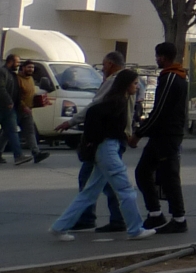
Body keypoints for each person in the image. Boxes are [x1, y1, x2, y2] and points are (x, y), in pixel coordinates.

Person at [49, 68, 153, 241]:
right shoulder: (119, 102)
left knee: (89, 192)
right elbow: (112, 126)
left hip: (103, 148)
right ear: (127, 84)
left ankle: (60, 226)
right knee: (126, 190)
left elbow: (93, 114)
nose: (137, 87)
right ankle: (135, 229)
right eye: (135, 84)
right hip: (109, 149)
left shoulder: (113, 99)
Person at [67, 52, 128, 231]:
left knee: (96, 178)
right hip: (115, 135)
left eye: (103, 65)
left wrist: (72, 121)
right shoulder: (128, 81)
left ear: (109, 64)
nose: (102, 69)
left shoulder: (114, 82)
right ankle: (113, 218)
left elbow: (95, 106)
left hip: (104, 136)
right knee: (105, 178)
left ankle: (102, 218)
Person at [135, 42, 190, 234]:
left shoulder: (171, 78)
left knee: (169, 177)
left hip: (166, 135)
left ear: (163, 57)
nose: (156, 59)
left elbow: (159, 111)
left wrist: (139, 133)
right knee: (143, 172)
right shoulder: (178, 76)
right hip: (164, 134)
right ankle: (155, 214)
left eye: (157, 56)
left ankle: (179, 218)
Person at [14, 60, 50, 164]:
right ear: (23, 68)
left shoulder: (30, 79)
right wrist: (23, 106)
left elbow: (30, 94)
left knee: (30, 132)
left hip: (28, 110)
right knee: (8, 133)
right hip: (16, 110)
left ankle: (36, 153)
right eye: (29, 67)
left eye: (32, 68)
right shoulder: (17, 79)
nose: (31, 69)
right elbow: (15, 95)